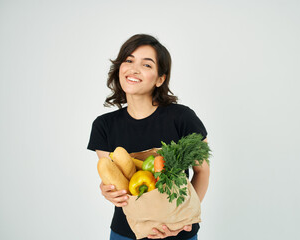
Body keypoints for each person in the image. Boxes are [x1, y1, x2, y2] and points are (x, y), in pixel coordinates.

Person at [87, 34, 210, 240]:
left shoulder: (182, 118)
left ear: (160, 78)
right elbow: (114, 178)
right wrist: (107, 191)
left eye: (146, 65)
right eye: (128, 60)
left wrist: (184, 219)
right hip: (126, 233)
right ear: (119, 68)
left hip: (178, 234)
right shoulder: (104, 125)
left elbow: (202, 172)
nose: (134, 69)